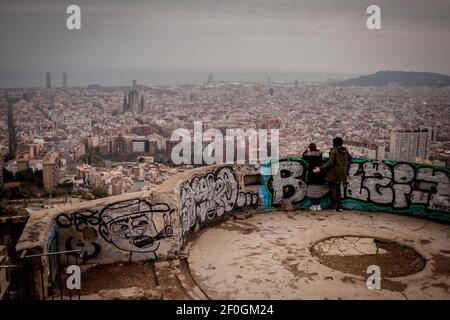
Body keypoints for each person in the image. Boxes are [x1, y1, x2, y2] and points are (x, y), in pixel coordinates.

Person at [313, 137, 352, 212]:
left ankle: (334, 206)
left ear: (335, 143)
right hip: (342, 173)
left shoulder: (334, 151)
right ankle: (340, 207)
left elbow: (330, 163)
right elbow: (350, 159)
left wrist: (320, 168)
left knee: (333, 189)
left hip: (334, 173)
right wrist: (344, 166)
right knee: (339, 189)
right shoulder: (346, 151)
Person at [302, 143, 325, 211]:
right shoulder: (320, 153)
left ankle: (313, 205)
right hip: (319, 172)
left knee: (312, 190)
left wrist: (306, 150)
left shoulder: (309, 154)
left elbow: (303, 155)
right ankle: (318, 205)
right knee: (319, 190)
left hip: (312, 173)